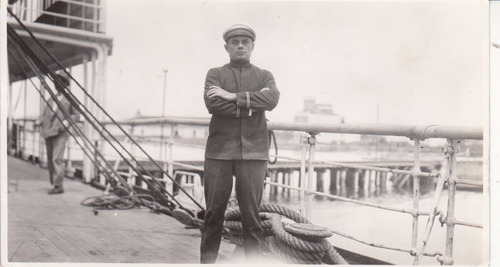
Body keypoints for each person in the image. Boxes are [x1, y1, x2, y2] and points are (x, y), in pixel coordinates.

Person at [201, 24, 280, 263]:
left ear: (253, 46)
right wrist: (250, 108)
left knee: (252, 218)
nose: (240, 46)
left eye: (245, 42)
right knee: (213, 214)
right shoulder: (215, 74)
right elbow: (213, 104)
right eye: (235, 42)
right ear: (227, 47)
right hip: (219, 153)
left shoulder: (264, 75)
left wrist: (230, 96)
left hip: (254, 153)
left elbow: (272, 98)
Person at [38, 73, 79, 195]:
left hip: (61, 133)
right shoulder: (51, 99)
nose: (57, 85)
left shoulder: (70, 99)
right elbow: (44, 114)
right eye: (55, 83)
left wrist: (66, 123)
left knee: (57, 159)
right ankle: (54, 183)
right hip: (48, 132)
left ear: (66, 85)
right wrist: (38, 121)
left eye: (60, 83)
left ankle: (58, 186)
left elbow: (76, 115)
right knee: (51, 159)